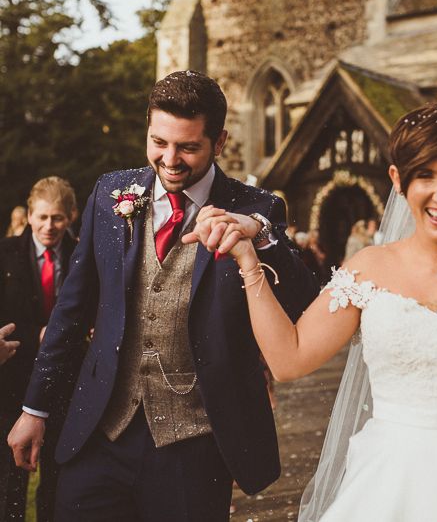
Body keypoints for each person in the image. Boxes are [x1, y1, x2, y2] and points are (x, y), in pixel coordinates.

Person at [186, 102, 437, 521]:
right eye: (424, 175)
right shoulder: (369, 268)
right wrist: (248, 261)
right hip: (390, 481)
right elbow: (288, 359)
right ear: (398, 180)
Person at [7, 71, 319, 522]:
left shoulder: (258, 208)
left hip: (194, 445)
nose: (169, 159)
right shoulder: (110, 194)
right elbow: (70, 312)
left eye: (188, 147)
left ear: (220, 141)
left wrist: (261, 236)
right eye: (159, 142)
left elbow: (305, 304)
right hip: (100, 432)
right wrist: (34, 409)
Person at [0, 177, 81, 522]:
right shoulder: (5, 253)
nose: (49, 226)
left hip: (66, 383)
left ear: (71, 216)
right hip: (12, 382)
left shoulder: (83, 255)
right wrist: (41, 334)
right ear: (30, 215)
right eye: (43, 217)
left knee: (60, 481)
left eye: (58, 218)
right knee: (9, 485)